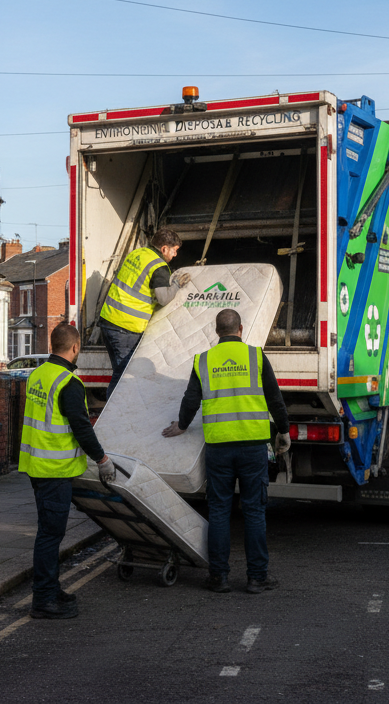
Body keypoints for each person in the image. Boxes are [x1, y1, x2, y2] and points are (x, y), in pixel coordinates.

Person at [161, 309, 290, 594]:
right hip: (253, 446)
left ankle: (218, 577)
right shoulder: (256, 356)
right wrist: (283, 431)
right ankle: (257, 577)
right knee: (255, 512)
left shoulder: (204, 361)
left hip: (219, 448)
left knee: (219, 511)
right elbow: (275, 399)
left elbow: (191, 399)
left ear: (216, 331)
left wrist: (181, 425)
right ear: (240, 329)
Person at [19, 323, 116, 619]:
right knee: (50, 535)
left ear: (53, 345)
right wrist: (102, 460)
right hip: (54, 470)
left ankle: (49, 588)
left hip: (37, 466)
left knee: (49, 533)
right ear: (74, 348)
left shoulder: (38, 375)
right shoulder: (68, 382)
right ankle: (44, 600)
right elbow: (81, 428)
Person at [99, 229, 189, 398]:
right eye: (174, 250)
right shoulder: (159, 267)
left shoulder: (137, 254)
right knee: (123, 379)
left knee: (119, 373)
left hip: (108, 320)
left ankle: (115, 413)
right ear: (164, 249)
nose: (175, 254)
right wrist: (176, 285)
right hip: (126, 327)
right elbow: (163, 298)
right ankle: (115, 416)